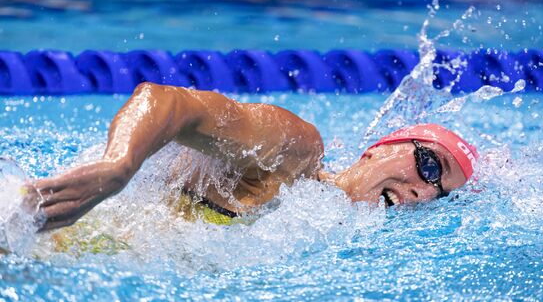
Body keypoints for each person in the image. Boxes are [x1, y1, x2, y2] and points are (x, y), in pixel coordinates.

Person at [28, 82, 478, 231]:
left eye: (439, 195)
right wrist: (117, 167)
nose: (422, 191)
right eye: (430, 166)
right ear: (382, 148)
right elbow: (169, 101)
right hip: (44, 227)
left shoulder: (323, 235)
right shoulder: (296, 154)